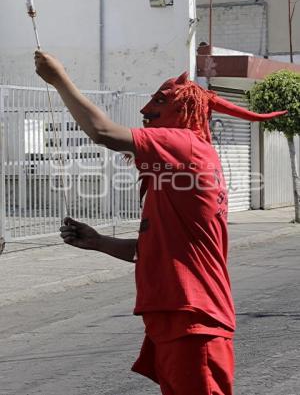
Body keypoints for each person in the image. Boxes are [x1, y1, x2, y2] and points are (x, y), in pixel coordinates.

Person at [34, 50, 287, 395]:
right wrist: (98, 242)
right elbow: (156, 247)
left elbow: (102, 132)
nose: (144, 110)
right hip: (178, 320)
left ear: (183, 109)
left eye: (160, 100)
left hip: (195, 324)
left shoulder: (186, 144)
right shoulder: (172, 173)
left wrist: (58, 77)